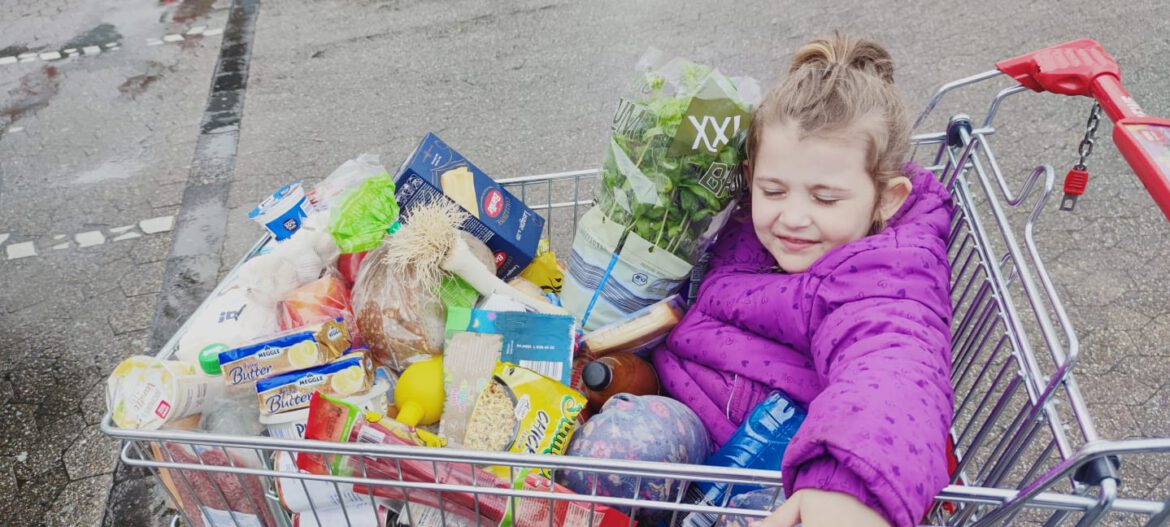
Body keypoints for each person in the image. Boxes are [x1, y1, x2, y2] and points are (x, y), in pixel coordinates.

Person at [652, 33, 955, 527]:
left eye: (825, 199)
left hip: (772, 470)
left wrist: (850, 490)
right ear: (750, 176)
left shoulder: (883, 275)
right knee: (621, 441)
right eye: (773, 190)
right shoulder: (752, 226)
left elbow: (894, 364)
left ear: (887, 198)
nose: (792, 217)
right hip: (681, 412)